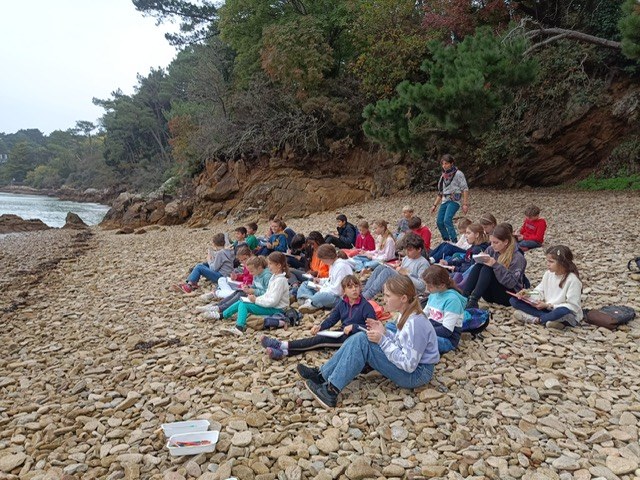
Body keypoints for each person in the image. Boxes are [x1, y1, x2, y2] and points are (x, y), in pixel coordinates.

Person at [298, 275, 440, 409]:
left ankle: (331, 391)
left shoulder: (415, 324)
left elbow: (408, 365)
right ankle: (322, 375)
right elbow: (401, 343)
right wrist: (384, 332)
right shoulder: (406, 314)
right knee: (362, 336)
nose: (384, 299)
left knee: (363, 340)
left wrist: (382, 340)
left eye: (388, 296)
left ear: (403, 298)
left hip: (417, 375)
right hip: (414, 370)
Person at [261, 275, 376, 359]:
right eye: (350, 287)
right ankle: (283, 353)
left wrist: (354, 327)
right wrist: (320, 327)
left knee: (320, 341)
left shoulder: (366, 306)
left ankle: (281, 344)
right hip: (342, 333)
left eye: (356, 286)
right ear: (344, 291)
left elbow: (373, 329)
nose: (354, 289)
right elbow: (332, 319)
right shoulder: (343, 303)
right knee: (319, 340)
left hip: (355, 339)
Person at [510, 245, 582, 329]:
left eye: (551, 262)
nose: (547, 264)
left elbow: (573, 306)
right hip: (547, 309)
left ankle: (536, 319)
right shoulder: (548, 274)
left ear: (562, 262)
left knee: (562, 311)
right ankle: (549, 320)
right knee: (514, 300)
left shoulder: (573, 280)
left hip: (563, 312)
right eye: (547, 261)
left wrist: (548, 306)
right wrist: (528, 294)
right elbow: (539, 291)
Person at [220, 252, 290, 335]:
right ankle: (222, 315)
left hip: (277, 309)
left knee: (244, 305)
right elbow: (267, 295)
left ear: (278, 265)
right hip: (272, 306)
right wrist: (254, 299)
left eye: (270, 264)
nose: (268, 266)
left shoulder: (280, 281)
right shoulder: (274, 277)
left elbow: (273, 301)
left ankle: (239, 328)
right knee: (242, 301)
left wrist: (256, 300)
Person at [463, 225, 527, 309]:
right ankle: (464, 297)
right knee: (479, 265)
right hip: (490, 294)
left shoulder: (518, 257)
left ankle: (474, 300)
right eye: (491, 242)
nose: (492, 245)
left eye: (496, 242)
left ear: (506, 242)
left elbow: (511, 283)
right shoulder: (491, 249)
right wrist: (480, 258)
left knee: (488, 268)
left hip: (509, 296)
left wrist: (495, 265)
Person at [198, 255, 272, 320]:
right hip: (255, 295)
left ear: (259, 268)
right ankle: (217, 306)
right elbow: (254, 286)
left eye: (251, 271)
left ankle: (219, 308)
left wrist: (253, 291)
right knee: (239, 292)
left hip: (261, 299)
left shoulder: (267, 276)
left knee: (240, 295)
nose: (250, 273)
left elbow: (268, 292)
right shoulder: (256, 274)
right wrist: (248, 287)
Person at [362, 233, 429, 299]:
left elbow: (422, 286)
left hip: (411, 289)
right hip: (403, 281)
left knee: (388, 272)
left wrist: (407, 274)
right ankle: (364, 292)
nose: (407, 252)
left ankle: (367, 295)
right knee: (381, 267)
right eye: (406, 249)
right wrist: (396, 267)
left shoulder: (423, 263)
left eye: (410, 250)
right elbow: (402, 271)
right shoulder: (407, 258)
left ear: (419, 249)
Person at [422, 266, 467, 354]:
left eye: (430, 286)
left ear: (442, 285)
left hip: (447, 340)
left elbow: (446, 331)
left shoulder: (452, 300)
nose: (427, 289)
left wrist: (423, 331)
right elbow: (424, 314)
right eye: (426, 285)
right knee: (398, 326)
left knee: (418, 338)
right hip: (432, 329)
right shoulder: (434, 294)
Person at [297, 244, 354, 313]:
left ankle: (310, 301)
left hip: (339, 298)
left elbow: (338, 291)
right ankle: (311, 302)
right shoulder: (333, 265)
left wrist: (322, 289)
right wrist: (320, 281)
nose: (323, 262)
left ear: (327, 258)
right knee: (306, 284)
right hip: (329, 290)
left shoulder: (341, 267)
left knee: (320, 296)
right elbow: (330, 280)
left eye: (322, 260)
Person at [430, 154, 469, 242]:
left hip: (454, 200)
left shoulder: (458, 174)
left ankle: (454, 240)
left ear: (451, 163)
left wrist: (465, 204)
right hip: (444, 200)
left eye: (446, 163)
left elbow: (465, 189)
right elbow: (441, 192)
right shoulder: (443, 176)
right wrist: (434, 205)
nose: (444, 166)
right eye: (443, 164)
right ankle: (446, 240)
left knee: (447, 220)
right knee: (439, 222)